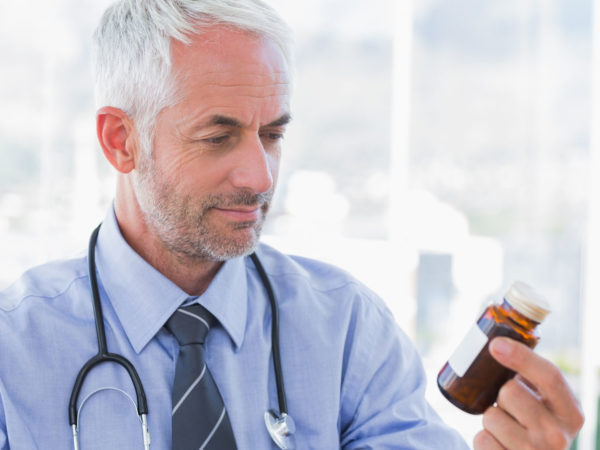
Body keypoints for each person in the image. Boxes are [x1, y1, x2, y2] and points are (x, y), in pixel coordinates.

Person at [0, 0, 583, 448]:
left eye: (273, 134)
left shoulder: (347, 330)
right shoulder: (14, 349)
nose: (258, 175)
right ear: (121, 140)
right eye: (218, 137)